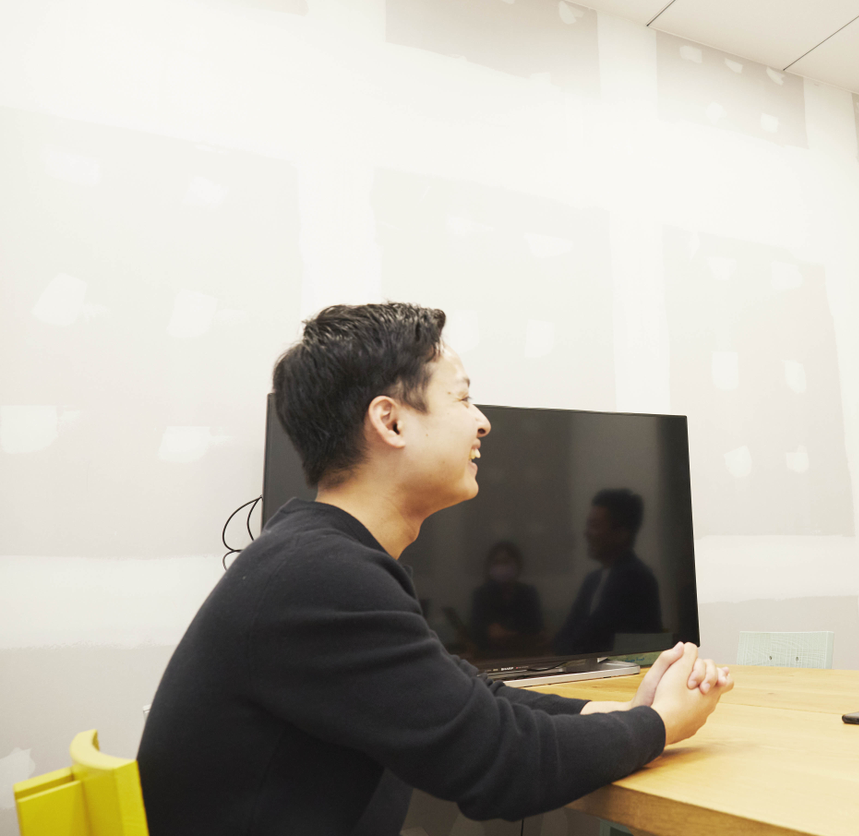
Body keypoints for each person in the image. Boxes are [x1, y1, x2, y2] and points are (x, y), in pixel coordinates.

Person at [137, 303, 732, 836]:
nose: (483, 422)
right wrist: (660, 724)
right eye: (463, 399)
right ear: (391, 422)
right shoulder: (321, 577)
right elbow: (503, 765)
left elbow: (468, 698)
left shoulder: (320, 558)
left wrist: (619, 712)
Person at [554, 489, 664, 655]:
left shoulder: (636, 578)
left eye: (595, 526)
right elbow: (565, 635)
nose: (586, 533)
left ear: (621, 534)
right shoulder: (592, 580)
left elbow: (593, 638)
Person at [468, 540, 545, 658]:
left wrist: (509, 634)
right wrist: (488, 632)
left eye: (506, 562)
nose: (502, 567)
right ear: (489, 566)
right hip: (489, 658)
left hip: (525, 656)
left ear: (517, 565)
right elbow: (475, 632)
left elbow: (536, 628)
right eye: (497, 562)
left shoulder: (528, 593)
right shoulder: (481, 595)